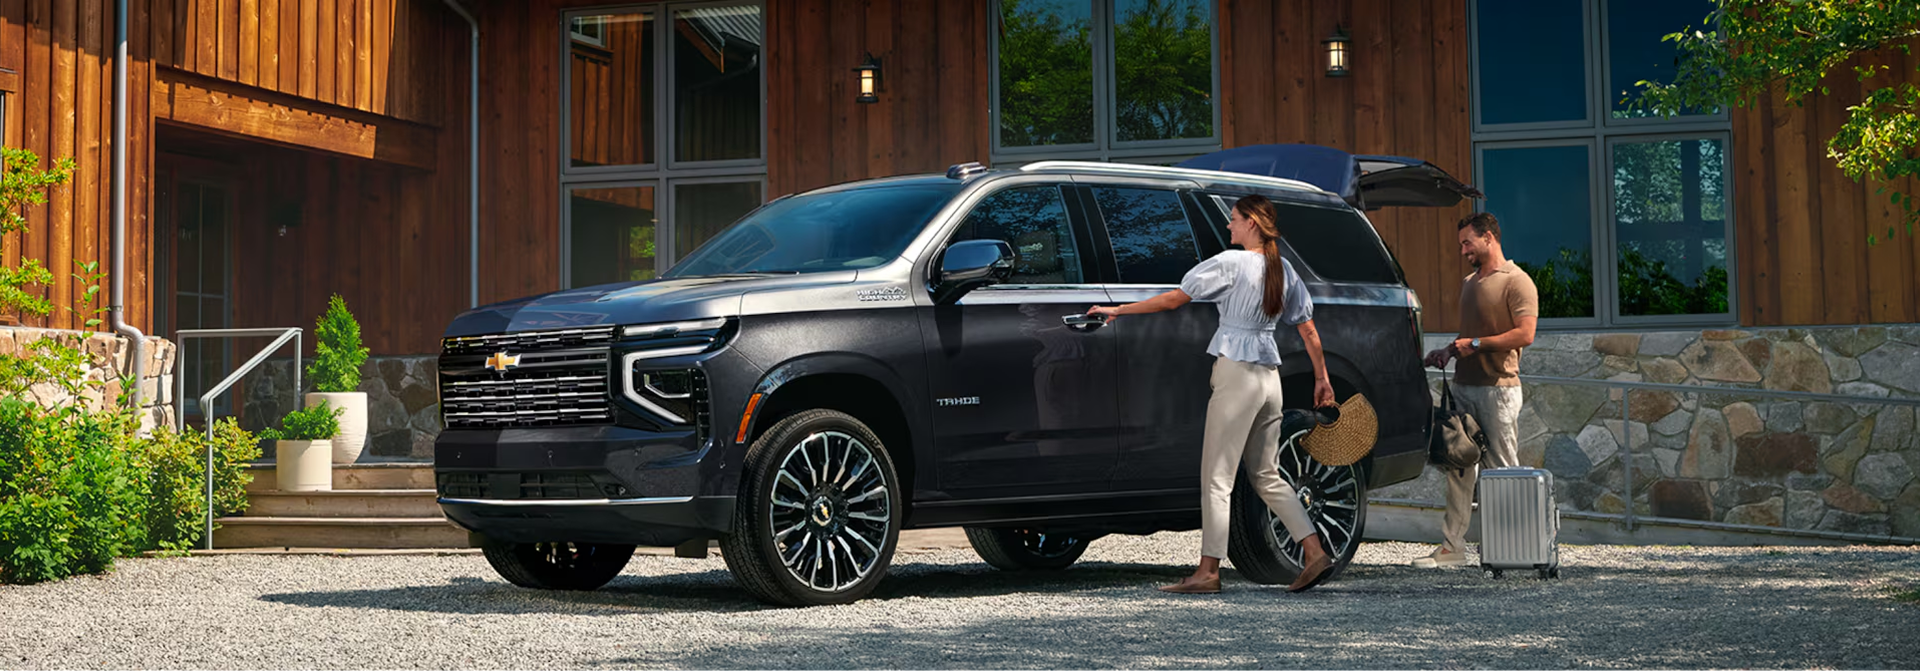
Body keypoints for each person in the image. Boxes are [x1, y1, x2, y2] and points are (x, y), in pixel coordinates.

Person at [1087, 194, 1338, 594]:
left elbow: (1174, 299)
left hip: (1237, 374)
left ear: (1252, 223)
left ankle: (1207, 572)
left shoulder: (1231, 262)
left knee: (1217, 477)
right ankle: (1313, 550)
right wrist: (1321, 378)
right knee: (1266, 474)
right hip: (1269, 378)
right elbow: (1308, 330)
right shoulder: (1284, 269)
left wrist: (1118, 311)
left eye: (1235, 219)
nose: (1229, 226)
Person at [1416, 212, 1538, 569]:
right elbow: (1469, 335)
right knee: (1458, 465)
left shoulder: (1517, 281)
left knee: (1500, 471)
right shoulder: (1470, 282)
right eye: (1461, 244)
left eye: (1467, 242)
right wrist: (1449, 351)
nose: (1463, 250)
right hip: (1464, 386)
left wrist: (1477, 343)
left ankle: (1515, 549)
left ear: (1489, 237)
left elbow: (1525, 334)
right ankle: (1452, 547)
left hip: (1498, 390)